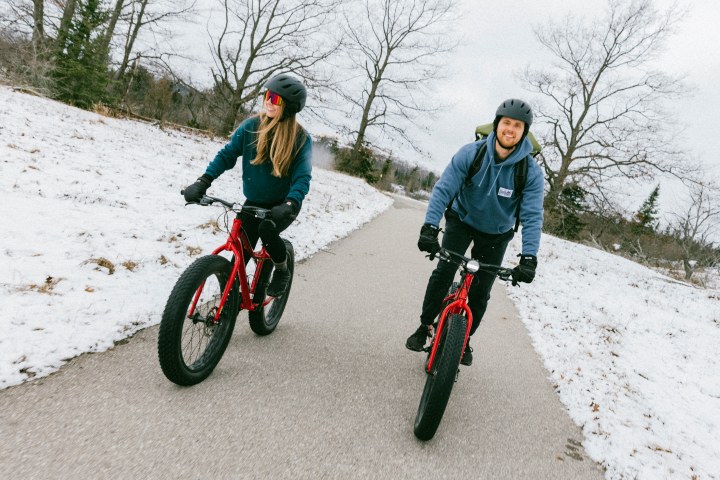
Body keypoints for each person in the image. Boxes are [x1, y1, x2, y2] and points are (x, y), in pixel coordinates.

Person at [405, 99, 544, 366]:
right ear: (496, 124)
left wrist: (529, 258)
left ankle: (464, 339)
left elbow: (531, 216)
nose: (510, 130)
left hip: (497, 234)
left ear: (524, 132)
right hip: (461, 220)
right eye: (506, 123)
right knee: (444, 272)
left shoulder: (530, 173)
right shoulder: (472, 153)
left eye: (517, 126)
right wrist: (430, 227)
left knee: (481, 292)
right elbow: (444, 189)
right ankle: (424, 326)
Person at [183, 73, 312, 297]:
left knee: (266, 230)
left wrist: (291, 203)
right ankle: (230, 301)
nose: (269, 101)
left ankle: (281, 270)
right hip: (254, 201)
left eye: (276, 98)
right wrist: (203, 181)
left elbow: (302, 177)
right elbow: (227, 155)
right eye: (268, 95)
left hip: (284, 204)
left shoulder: (300, 139)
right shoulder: (252, 126)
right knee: (240, 253)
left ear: (289, 107)